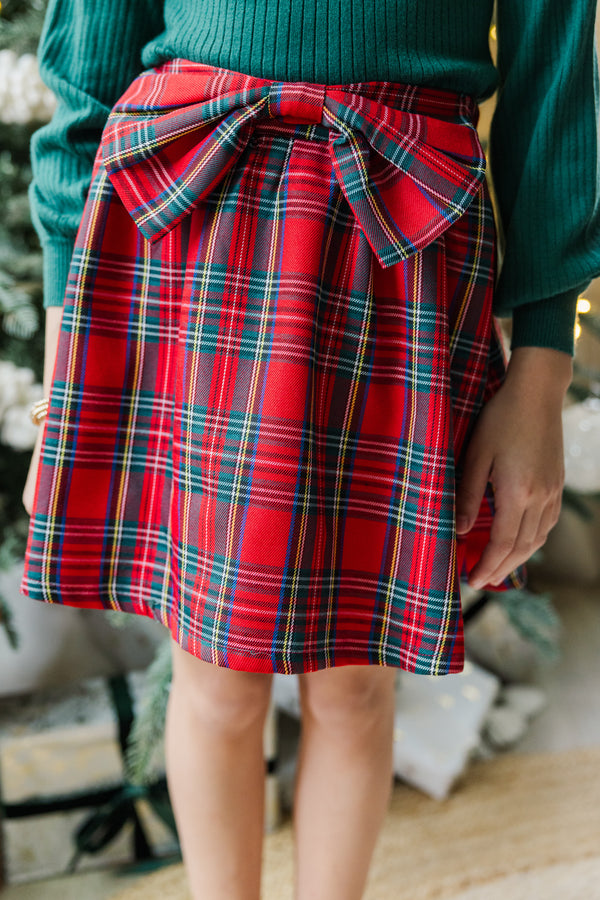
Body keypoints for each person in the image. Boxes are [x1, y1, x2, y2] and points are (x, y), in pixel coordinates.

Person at [19, 2, 600, 898]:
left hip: (401, 237)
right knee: (212, 677)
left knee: (358, 685)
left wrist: (540, 373)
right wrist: (71, 338)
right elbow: (90, 62)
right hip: (195, 216)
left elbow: (554, 86)